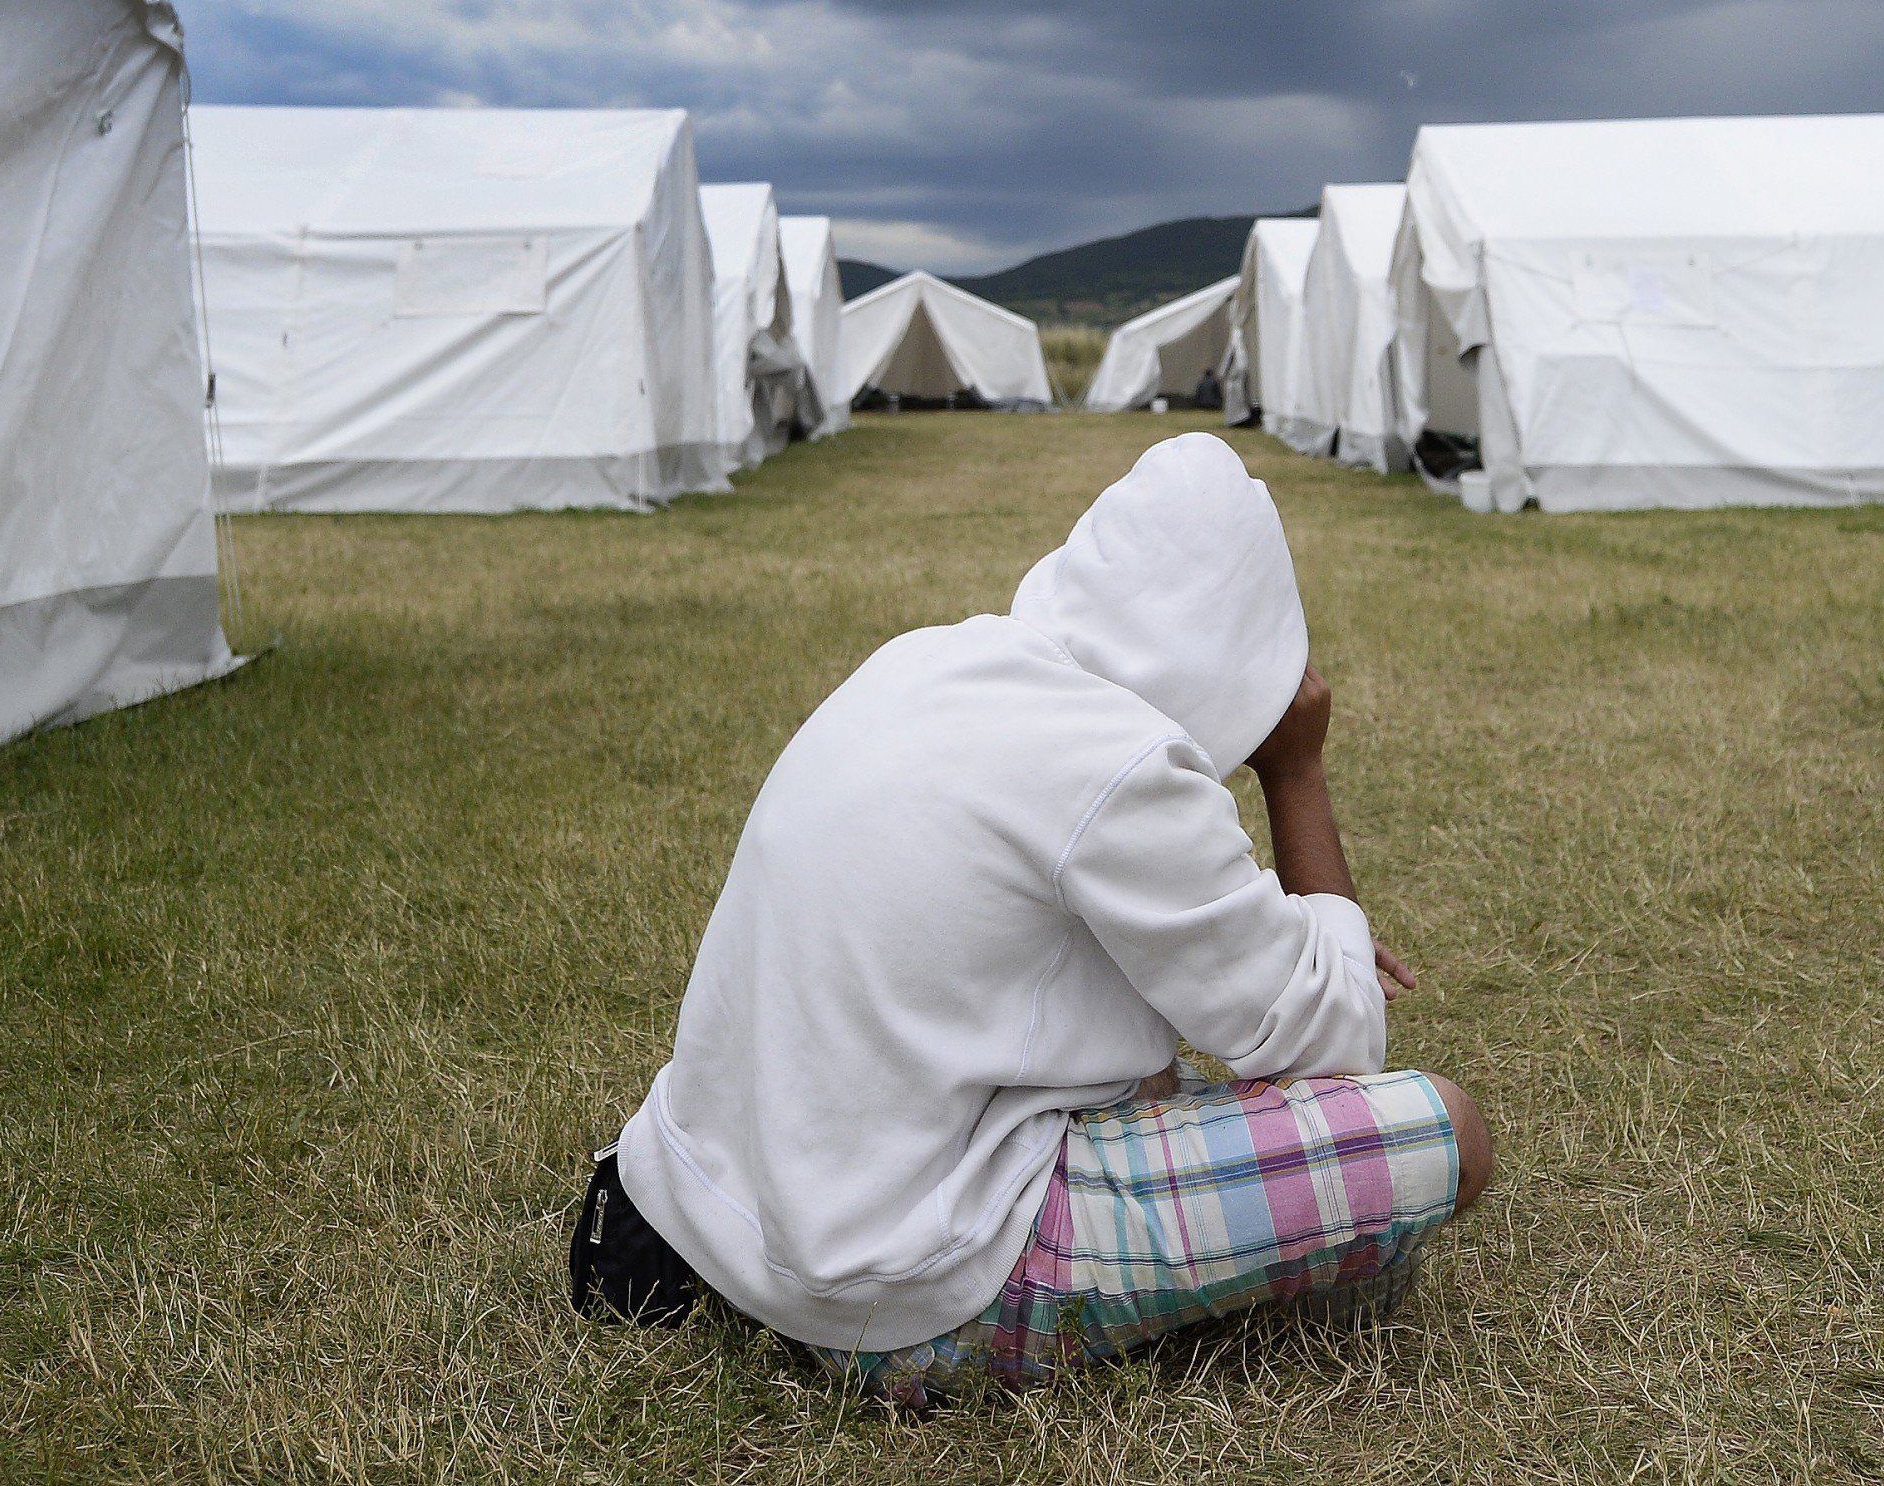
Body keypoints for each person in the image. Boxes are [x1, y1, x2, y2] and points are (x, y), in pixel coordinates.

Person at [573, 432, 1491, 1405]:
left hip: (721, 1212)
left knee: (1145, 1064)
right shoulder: (1116, 761)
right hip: (896, 1286)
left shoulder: (928, 659)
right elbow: (1338, 1042)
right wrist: (1295, 769)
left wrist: (1285, 938)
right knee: (1449, 1127)